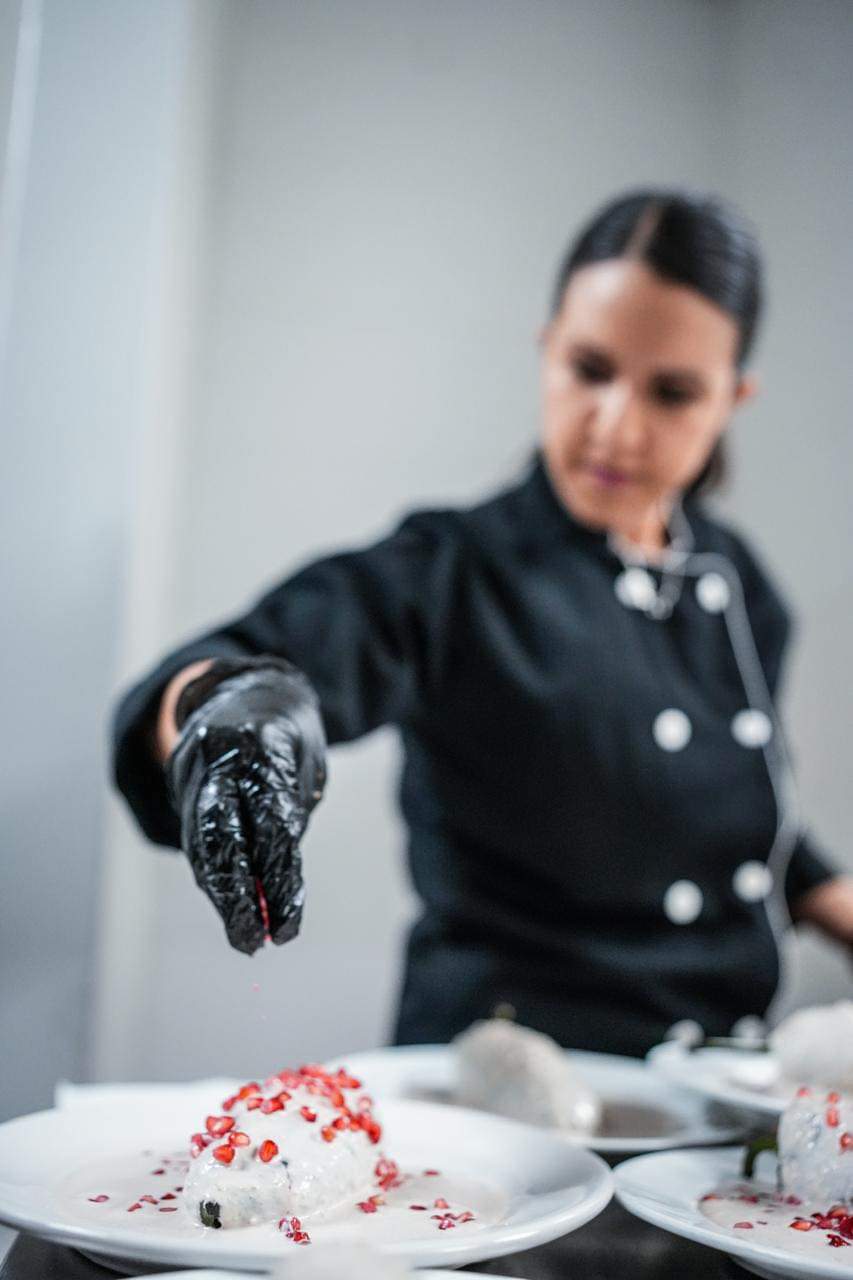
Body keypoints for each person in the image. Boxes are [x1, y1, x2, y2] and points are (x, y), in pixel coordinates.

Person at [112, 188, 853, 1059]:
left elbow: (728, 818)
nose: (616, 426)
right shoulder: (449, 569)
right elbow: (239, 663)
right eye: (589, 369)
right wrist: (228, 716)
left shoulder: (742, 587)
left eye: (672, 392)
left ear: (732, 399)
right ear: (546, 351)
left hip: (717, 1082)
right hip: (499, 1082)